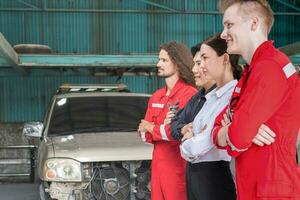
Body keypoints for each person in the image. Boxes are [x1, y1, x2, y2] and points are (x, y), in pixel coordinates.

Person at [213, 0, 300, 199]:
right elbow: (218, 125)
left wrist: (237, 127)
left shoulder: (270, 67)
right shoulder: (251, 73)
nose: (223, 34)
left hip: (271, 189)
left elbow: (238, 136)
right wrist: (236, 126)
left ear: (253, 23)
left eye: (229, 25)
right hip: (256, 186)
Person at [172, 33, 239, 200]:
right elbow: (194, 142)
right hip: (196, 176)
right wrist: (192, 137)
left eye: (204, 58)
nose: (198, 67)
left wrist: (189, 139)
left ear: (224, 59)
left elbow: (199, 145)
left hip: (215, 178)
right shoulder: (209, 98)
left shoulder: (233, 96)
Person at [138, 41, 197, 200]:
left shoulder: (189, 95)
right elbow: (143, 135)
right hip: (157, 169)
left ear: (177, 64)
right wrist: (158, 129)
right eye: (159, 60)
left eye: (164, 60)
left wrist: (152, 127)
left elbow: (174, 133)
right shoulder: (156, 96)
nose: (158, 64)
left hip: (178, 168)